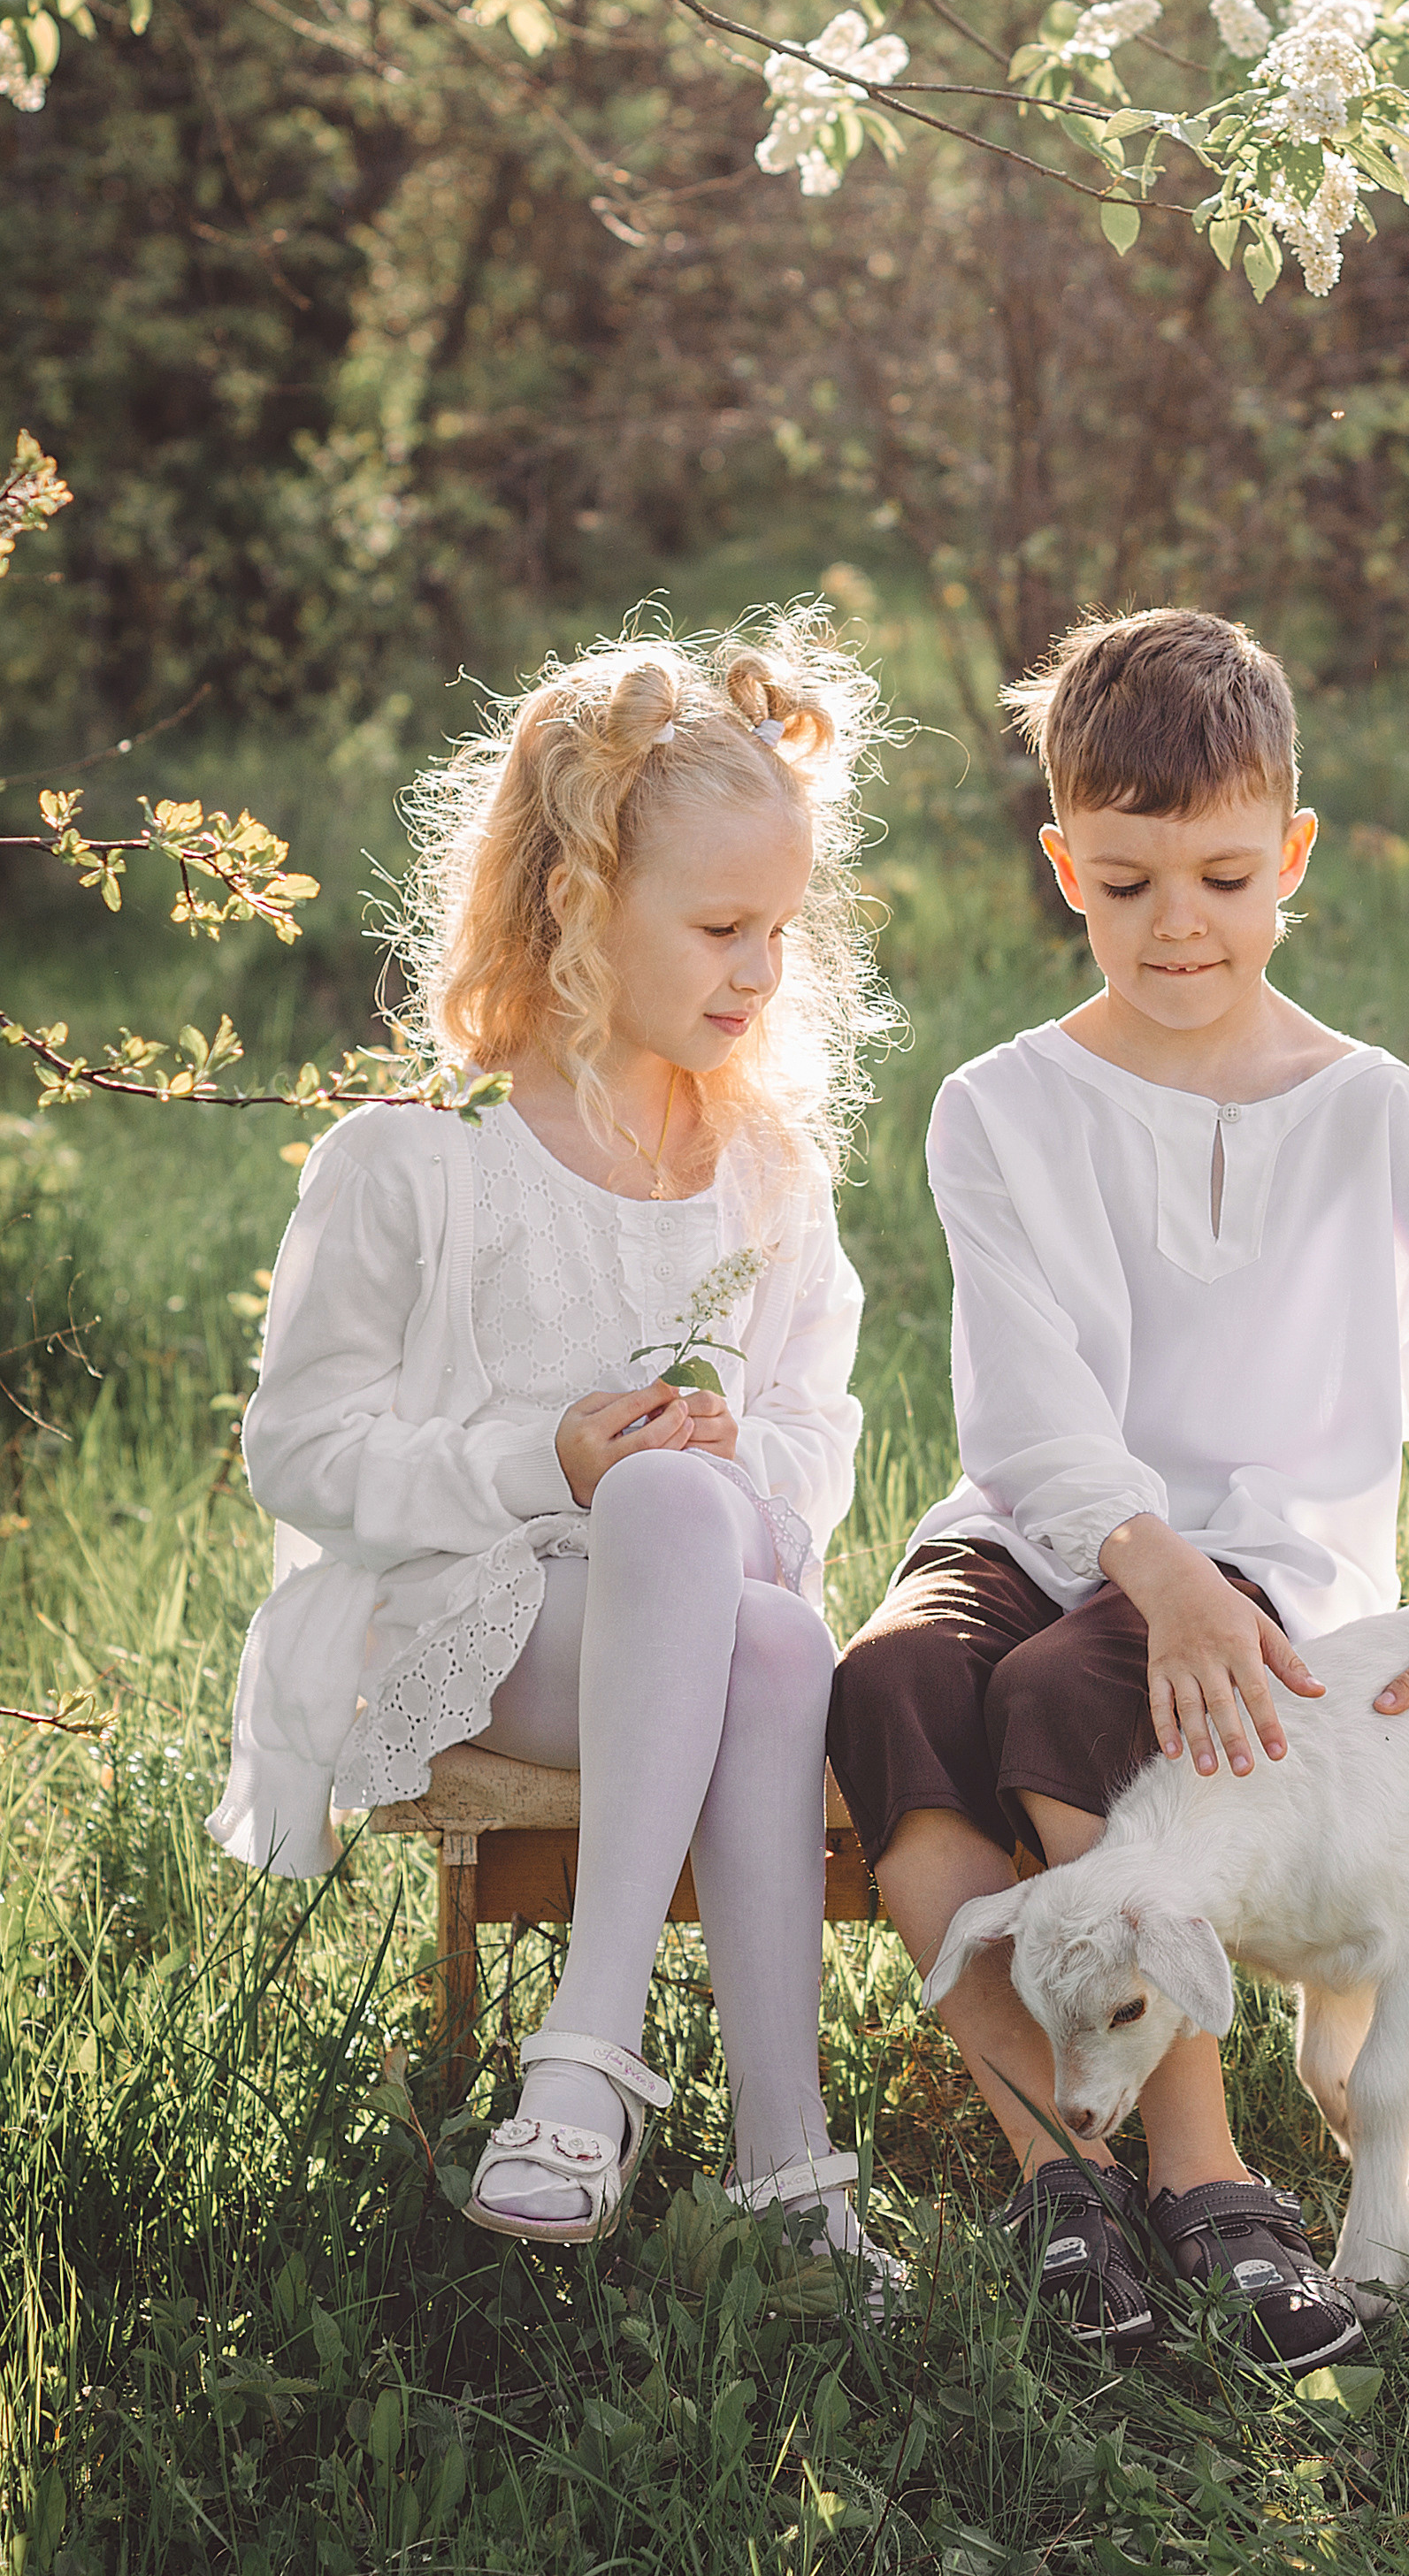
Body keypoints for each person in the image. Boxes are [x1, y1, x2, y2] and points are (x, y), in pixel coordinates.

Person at [828, 608, 1409, 2368]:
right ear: (1062, 865)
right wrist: (1142, 1557)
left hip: (1261, 1565)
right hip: (1051, 1525)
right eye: (1122, 884)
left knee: (1062, 1689)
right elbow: (1026, 1402)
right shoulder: (999, 1104)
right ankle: (1063, 2170)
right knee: (890, 1673)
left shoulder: (1367, 1111)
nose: (1172, 923)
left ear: (1289, 854)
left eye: (1213, 872)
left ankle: (1204, 2177)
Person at [208, 616, 900, 2282]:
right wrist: (544, 1462)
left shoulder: (765, 1175)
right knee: (703, 1553)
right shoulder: (423, 1164)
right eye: (724, 927)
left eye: (784, 934)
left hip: (697, 1608)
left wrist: (743, 1470)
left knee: (754, 1591)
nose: (762, 973)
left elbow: (819, 1428)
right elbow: (299, 1447)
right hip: (474, 1620)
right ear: (583, 908)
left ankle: (694, 2118)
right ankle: (685, 2103)